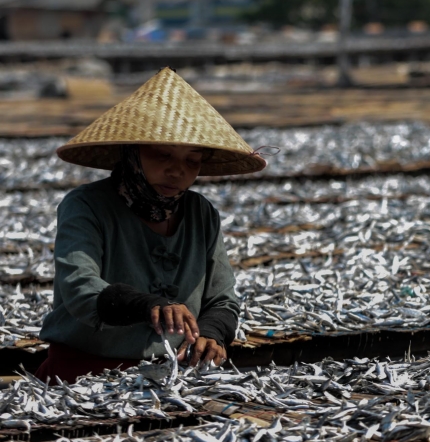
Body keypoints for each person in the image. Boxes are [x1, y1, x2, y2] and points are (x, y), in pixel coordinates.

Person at [35, 67, 266, 384]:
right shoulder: (86, 205)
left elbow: (223, 298)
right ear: (132, 152)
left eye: (192, 160)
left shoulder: (201, 213)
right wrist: (149, 306)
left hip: (173, 375)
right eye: (162, 155)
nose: (177, 171)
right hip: (84, 373)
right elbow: (80, 289)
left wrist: (211, 334)